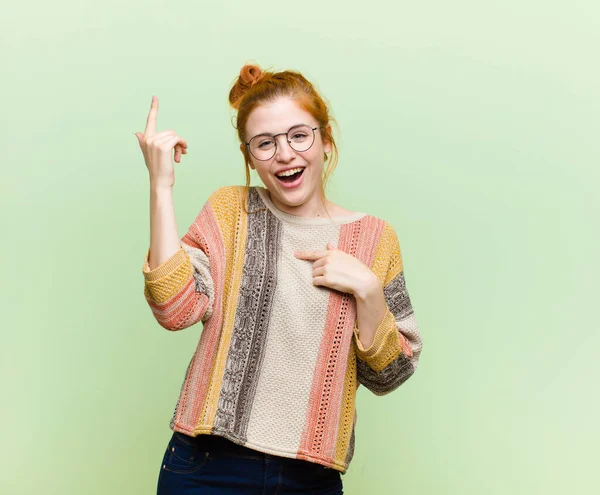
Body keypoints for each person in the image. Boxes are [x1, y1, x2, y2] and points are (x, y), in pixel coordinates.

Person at [136, 63, 424, 495]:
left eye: (299, 135)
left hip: (311, 478)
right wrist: (160, 185)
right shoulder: (231, 212)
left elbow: (391, 374)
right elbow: (174, 309)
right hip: (207, 465)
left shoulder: (375, 240)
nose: (285, 154)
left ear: (325, 140)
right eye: (265, 144)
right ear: (249, 155)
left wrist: (368, 291)